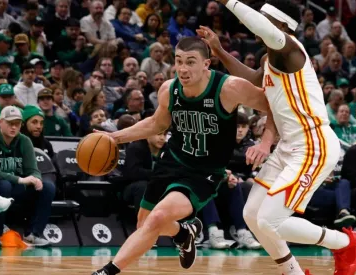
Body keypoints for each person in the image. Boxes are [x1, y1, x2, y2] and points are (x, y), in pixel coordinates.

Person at [198, 1, 356, 274]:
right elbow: (254, 79)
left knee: (269, 221)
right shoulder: (271, 59)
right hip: (290, 145)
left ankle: (347, 242)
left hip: (313, 143)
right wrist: (218, 50)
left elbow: (260, 26)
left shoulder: (289, 50)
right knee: (252, 215)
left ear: (280, 24)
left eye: (265, 18)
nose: (256, 24)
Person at [92, 36, 269, 275]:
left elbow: (274, 107)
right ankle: (183, 232)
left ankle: (106, 272)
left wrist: (266, 143)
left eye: (190, 62)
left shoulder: (230, 87)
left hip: (203, 171)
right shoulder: (170, 89)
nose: (183, 69)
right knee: (145, 224)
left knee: (158, 218)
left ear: (206, 64)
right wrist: (116, 137)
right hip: (172, 160)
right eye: (178, 61)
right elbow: (157, 123)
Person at [0, 106, 56, 247]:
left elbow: (33, 169)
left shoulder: (24, 141)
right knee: (4, 185)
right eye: (10, 123)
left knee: (48, 187)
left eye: (18, 123)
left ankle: (34, 234)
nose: (14, 127)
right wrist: (20, 180)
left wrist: (36, 178)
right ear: (0, 122)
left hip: (16, 187)